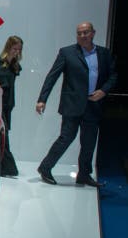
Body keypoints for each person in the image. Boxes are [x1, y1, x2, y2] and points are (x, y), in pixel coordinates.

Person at [36, 22, 117, 186]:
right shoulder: (67, 52)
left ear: (93, 33)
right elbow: (52, 76)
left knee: (89, 142)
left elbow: (113, 76)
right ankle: (45, 168)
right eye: (79, 33)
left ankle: (84, 175)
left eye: (85, 32)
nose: (82, 36)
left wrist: (103, 91)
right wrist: (42, 99)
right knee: (66, 138)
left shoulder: (104, 53)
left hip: (93, 105)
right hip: (72, 104)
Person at [0, 35, 23, 177]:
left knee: (3, 134)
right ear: (8, 47)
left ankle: (2, 167)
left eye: (19, 49)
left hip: (8, 104)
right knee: (3, 136)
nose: (16, 52)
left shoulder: (14, 66)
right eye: (15, 48)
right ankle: (9, 168)